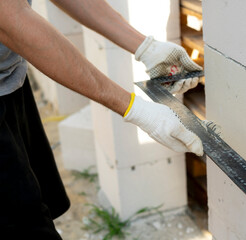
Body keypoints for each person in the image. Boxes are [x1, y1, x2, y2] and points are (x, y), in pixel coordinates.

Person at [0, 0, 203, 238]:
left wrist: (144, 47)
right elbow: (10, 20)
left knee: (34, 203)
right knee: (23, 225)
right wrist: (133, 108)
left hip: (9, 83)